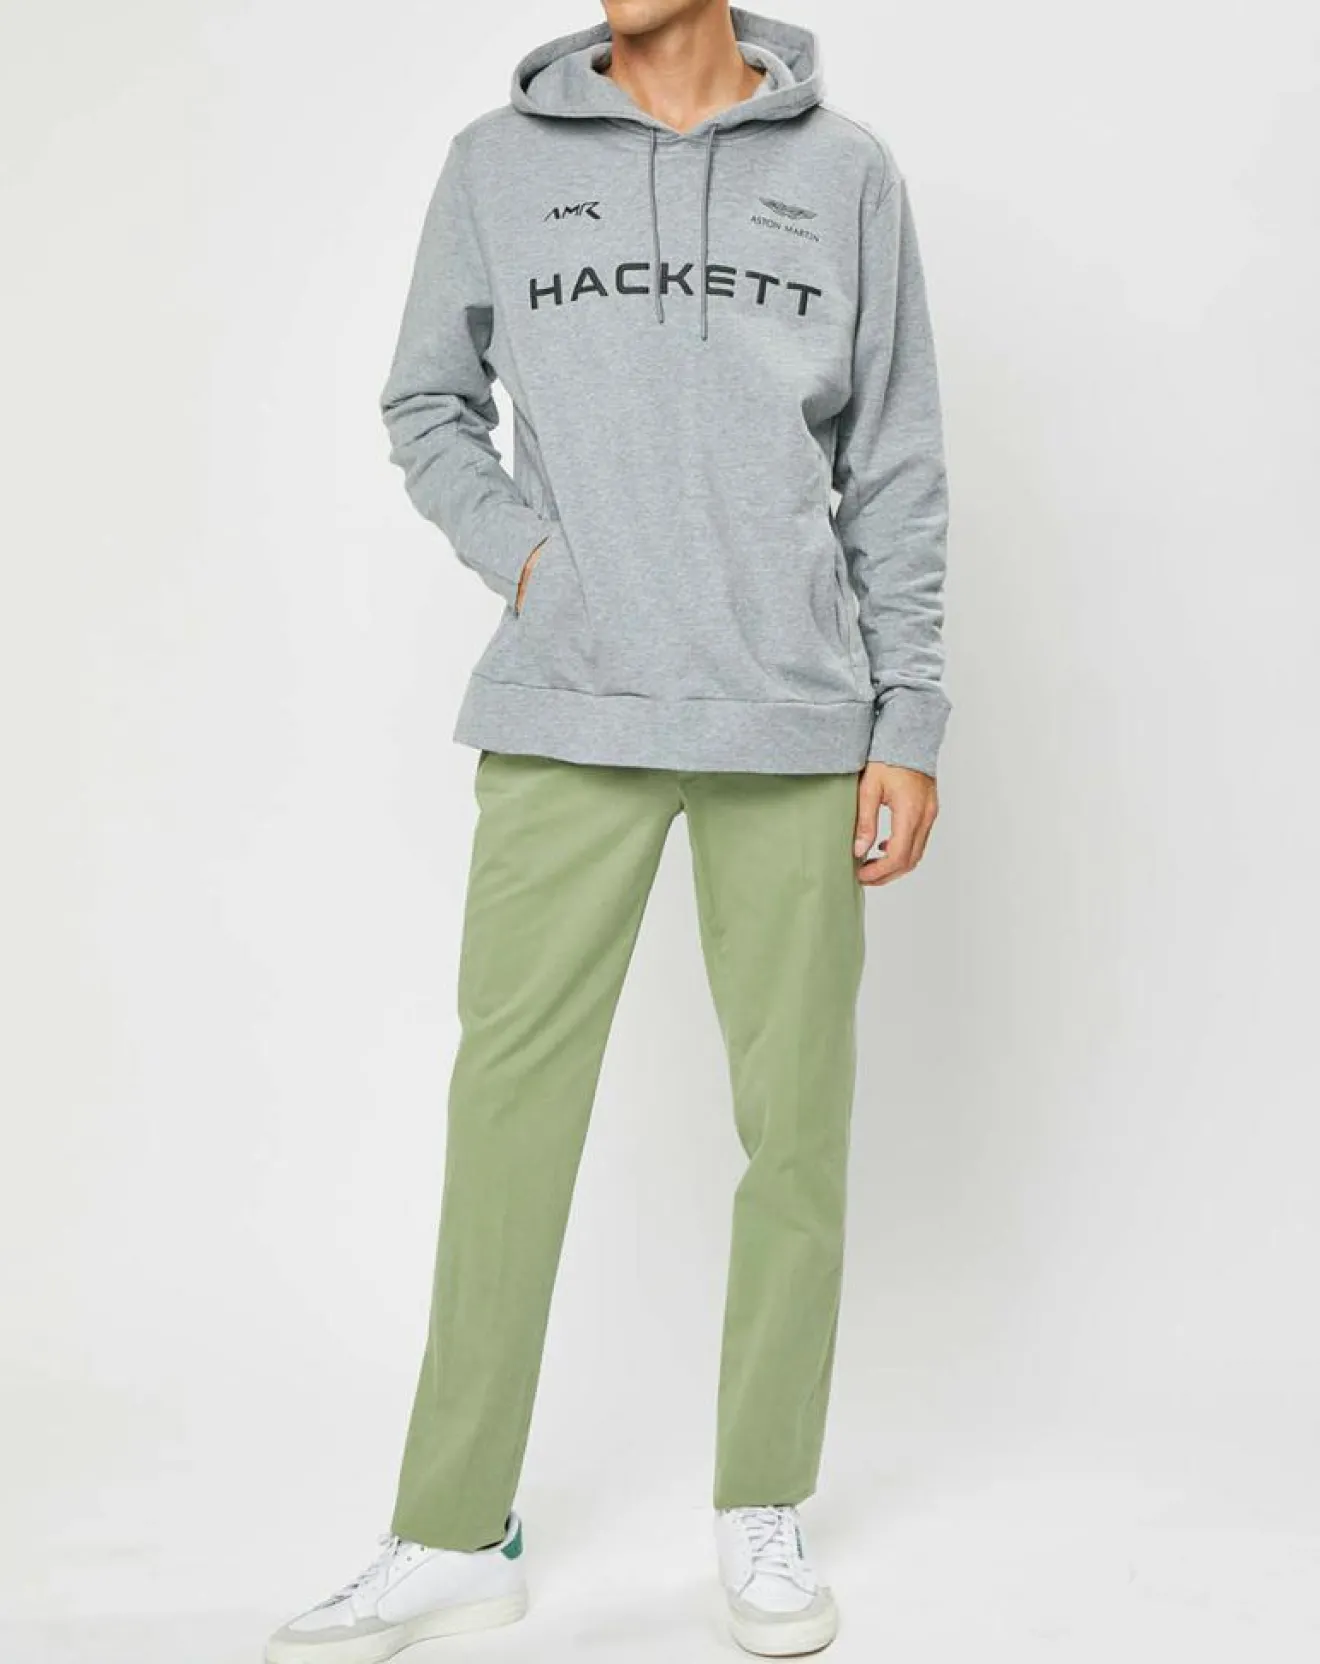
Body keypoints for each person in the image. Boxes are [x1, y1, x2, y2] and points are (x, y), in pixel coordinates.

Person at [266, 2, 948, 1657]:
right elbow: (428, 405)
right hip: (568, 705)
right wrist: (530, 562)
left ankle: (760, 1499)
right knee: (507, 1116)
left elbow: (897, 460)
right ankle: (454, 1526)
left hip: (793, 716)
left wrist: (908, 717)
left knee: (796, 1130)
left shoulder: (847, 174)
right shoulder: (496, 165)